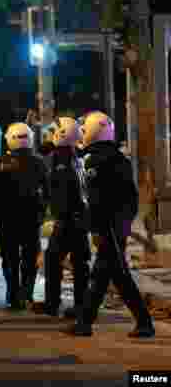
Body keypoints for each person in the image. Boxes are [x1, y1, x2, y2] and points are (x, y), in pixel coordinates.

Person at [68, 111, 155, 338]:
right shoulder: (119, 158)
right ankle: (85, 322)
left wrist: (96, 228)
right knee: (104, 274)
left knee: (117, 274)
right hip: (117, 226)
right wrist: (123, 225)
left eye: (85, 130)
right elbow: (130, 198)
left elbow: (95, 200)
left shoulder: (92, 160)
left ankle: (144, 322)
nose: (82, 134)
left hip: (107, 227)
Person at [35, 117, 91, 319]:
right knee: (80, 264)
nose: (49, 138)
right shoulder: (77, 156)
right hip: (80, 218)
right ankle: (81, 304)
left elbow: (56, 193)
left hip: (67, 219)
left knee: (53, 260)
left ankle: (52, 304)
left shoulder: (59, 159)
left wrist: (54, 216)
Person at [0, 122, 49, 310]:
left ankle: (13, 294)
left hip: (7, 220)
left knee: (9, 258)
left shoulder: (0, 163)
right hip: (31, 219)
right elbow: (47, 192)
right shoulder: (39, 163)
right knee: (29, 257)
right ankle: (27, 294)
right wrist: (42, 213)